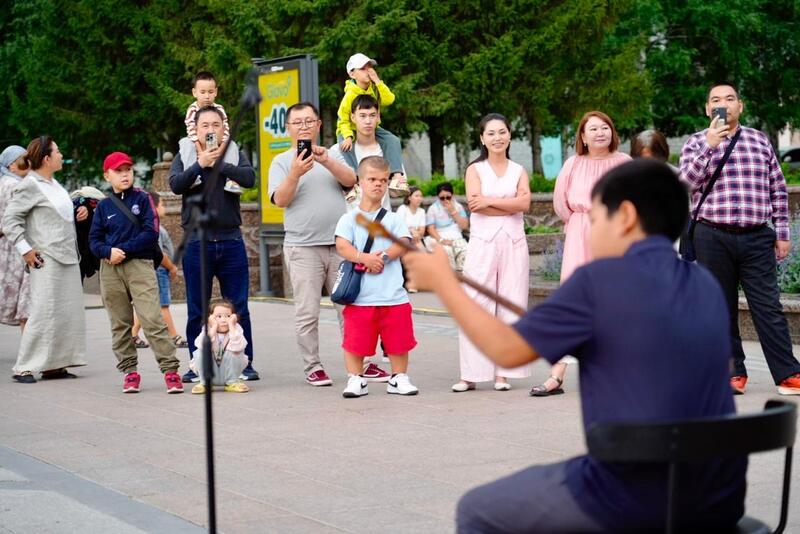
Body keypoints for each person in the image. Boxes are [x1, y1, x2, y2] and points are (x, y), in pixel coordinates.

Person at [405, 159, 747, 533]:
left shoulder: (599, 281)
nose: (589, 233)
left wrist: (445, 283)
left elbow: (505, 350)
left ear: (625, 216)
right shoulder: (704, 283)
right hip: (720, 497)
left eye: (595, 220)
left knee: (476, 509)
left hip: (630, 495)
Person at [681, 82, 800, 396]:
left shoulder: (759, 140)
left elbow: (777, 188)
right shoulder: (695, 142)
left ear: (740, 106)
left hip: (757, 236)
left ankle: (788, 373)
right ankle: (733, 372)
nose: (723, 104)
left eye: (729, 98)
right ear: (708, 109)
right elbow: (685, 186)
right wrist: (709, 146)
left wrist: (782, 233)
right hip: (712, 235)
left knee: (768, 306)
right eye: (716, 100)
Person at [269, 101, 389, 385]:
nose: (304, 127)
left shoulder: (332, 154)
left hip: (340, 245)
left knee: (350, 308)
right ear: (288, 128)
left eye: (309, 121)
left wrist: (326, 161)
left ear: (318, 125)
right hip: (302, 248)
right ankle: (313, 366)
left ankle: (362, 363)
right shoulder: (282, 162)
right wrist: (295, 173)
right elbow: (280, 200)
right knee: (307, 311)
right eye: (297, 122)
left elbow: (351, 181)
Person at [533, 111, 631, 396]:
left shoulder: (624, 163)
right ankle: (557, 374)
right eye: (593, 129)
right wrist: (581, 223)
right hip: (579, 234)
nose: (600, 132)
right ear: (583, 137)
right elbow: (560, 203)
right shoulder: (573, 163)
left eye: (605, 127)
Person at [170, 106, 259, 382]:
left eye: (216, 125)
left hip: (231, 240)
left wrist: (221, 163)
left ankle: (244, 363)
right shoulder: (185, 152)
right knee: (197, 308)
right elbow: (176, 184)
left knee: (239, 306)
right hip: (197, 243)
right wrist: (200, 163)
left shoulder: (233, 152)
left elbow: (249, 178)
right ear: (196, 129)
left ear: (223, 128)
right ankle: (197, 364)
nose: (211, 130)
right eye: (205, 125)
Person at [89, 152, 183, 394]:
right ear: (107, 176)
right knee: (119, 323)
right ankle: (130, 372)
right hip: (110, 269)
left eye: (128, 170)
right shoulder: (103, 206)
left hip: (140, 265)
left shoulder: (143, 199)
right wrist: (108, 252)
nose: (125, 175)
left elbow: (151, 233)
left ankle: (170, 371)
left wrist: (123, 250)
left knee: (152, 318)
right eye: (118, 171)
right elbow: (94, 240)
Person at [453, 113, 532, 393]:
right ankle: (471, 374)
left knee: (512, 303)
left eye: (502, 132)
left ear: (509, 135)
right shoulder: (475, 170)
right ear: (482, 139)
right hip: (483, 242)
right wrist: (509, 204)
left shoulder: (519, 170)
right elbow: (475, 205)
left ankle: (504, 373)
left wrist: (490, 202)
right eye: (491, 133)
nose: (497, 138)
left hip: (514, 242)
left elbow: (525, 203)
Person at [2, 136, 87, 383]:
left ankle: (54, 366)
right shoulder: (29, 185)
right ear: (47, 159)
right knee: (43, 312)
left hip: (68, 256)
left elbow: (57, 214)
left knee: (66, 312)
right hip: (46, 258)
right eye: (57, 152)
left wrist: (78, 212)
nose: (61, 155)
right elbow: (10, 220)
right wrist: (26, 250)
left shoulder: (55, 184)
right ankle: (24, 368)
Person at [334, 156, 419, 398]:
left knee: (399, 341)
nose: (378, 184)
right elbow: (342, 246)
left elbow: (404, 242)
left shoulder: (393, 219)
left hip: (393, 295)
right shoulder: (349, 218)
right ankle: (355, 378)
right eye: (372, 179)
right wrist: (364, 258)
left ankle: (399, 377)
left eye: (383, 180)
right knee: (355, 342)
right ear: (360, 182)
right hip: (360, 297)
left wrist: (384, 256)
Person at [336, 53, 406, 194]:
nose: (368, 71)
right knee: (345, 148)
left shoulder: (374, 87)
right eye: (362, 69)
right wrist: (348, 136)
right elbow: (342, 119)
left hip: (370, 127)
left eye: (369, 67)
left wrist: (378, 81)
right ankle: (352, 184)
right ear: (352, 74)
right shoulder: (349, 95)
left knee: (393, 140)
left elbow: (389, 100)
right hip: (348, 128)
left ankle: (397, 176)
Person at [131, 192, 189, 349]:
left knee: (147, 305)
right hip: (159, 269)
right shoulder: (155, 228)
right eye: (162, 204)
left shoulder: (152, 227)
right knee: (163, 305)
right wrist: (171, 267)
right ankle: (173, 336)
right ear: (153, 207)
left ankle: (132, 335)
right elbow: (158, 253)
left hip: (156, 269)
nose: (165, 208)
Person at [330, 94, 395, 212]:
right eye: (362, 116)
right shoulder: (337, 151)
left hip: (382, 219)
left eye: (372, 115)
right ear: (353, 117)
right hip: (350, 219)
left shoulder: (388, 149)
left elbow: (395, 192)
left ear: (378, 117)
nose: (368, 121)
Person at [182, 71, 239, 195]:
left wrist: (221, 149)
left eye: (210, 92)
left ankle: (232, 181)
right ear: (194, 92)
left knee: (232, 144)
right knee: (185, 143)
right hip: (197, 143)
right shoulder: (192, 110)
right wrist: (201, 152)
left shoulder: (219, 109)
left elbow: (225, 130)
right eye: (202, 92)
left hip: (217, 142)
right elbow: (191, 132)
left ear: (216, 92)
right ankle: (191, 176)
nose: (207, 96)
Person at [0, 145, 32, 330]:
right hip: (19, 246)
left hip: (7, 246)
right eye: (23, 159)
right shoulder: (15, 186)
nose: (29, 162)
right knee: (26, 303)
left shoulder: (4, 183)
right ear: (11, 165)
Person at [190, 298, 249, 394]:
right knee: (200, 351)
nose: (224, 320)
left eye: (228, 316)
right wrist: (213, 327)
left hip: (229, 372)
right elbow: (201, 345)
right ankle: (205, 384)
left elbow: (239, 346)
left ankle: (232, 383)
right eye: (219, 316)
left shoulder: (236, 329)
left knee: (236, 351)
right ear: (210, 318)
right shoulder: (207, 328)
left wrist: (231, 326)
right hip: (210, 372)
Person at [423, 182, 469, 271]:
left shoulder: (458, 207)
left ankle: (461, 276)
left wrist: (453, 211)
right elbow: (430, 229)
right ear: (438, 197)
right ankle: (449, 277)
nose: (445, 200)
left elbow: (464, 226)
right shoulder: (433, 209)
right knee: (447, 252)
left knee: (466, 252)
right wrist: (441, 240)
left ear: (452, 195)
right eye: (442, 198)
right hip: (440, 237)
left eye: (448, 197)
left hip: (457, 238)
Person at [395, 186, 426, 292]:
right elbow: (399, 227)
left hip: (416, 240)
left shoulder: (421, 211)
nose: (419, 198)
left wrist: (415, 233)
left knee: (421, 253)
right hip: (402, 239)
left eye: (421, 196)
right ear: (409, 197)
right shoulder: (403, 209)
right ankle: (412, 283)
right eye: (416, 196)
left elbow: (422, 231)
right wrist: (412, 231)